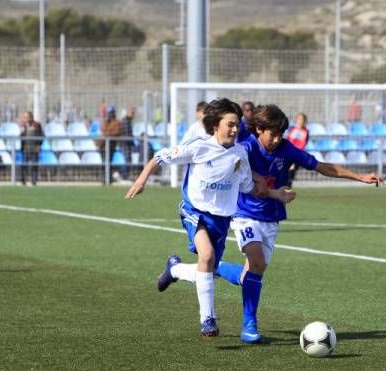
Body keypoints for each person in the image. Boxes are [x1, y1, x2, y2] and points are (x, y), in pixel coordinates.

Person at [158, 104, 384, 344]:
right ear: (258, 129)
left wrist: (358, 177)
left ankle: (179, 269)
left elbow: (321, 166)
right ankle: (249, 324)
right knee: (256, 260)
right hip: (243, 214)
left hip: (271, 218)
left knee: (251, 272)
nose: (276, 139)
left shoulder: (287, 150)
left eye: (280, 134)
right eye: (272, 134)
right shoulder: (243, 148)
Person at [125, 98, 292, 338]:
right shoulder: (199, 146)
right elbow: (159, 158)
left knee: (207, 270)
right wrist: (141, 180)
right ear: (215, 125)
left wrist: (275, 193)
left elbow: (248, 187)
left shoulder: (240, 154)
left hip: (222, 219)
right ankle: (208, 320)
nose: (235, 129)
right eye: (230, 124)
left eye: (237, 125)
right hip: (194, 211)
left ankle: (174, 270)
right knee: (207, 256)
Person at [98, 105, 124, 184]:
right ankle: (104, 178)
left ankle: (108, 179)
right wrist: (107, 132)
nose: (110, 115)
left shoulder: (117, 122)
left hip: (111, 146)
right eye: (109, 113)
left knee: (109, 162)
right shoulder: (106, 121)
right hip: (103, 146)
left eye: (111, 113)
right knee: (103, 162)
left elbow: (116, 132)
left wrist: (107, 134)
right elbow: (103, 130)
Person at [285, 112, 309, 186]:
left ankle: (287, 189)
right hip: (288, 153)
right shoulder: (292, 130)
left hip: (296, 155)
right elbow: (287, 141)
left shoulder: (305, 132)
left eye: (302, 119)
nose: (300, 121)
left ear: (304, 121)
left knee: (291, 172)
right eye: (298, 119)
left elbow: (303, 145)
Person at [20, 111, 43, 186]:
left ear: (31, 117)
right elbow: (21, 137)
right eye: (25, 117)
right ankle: (23, 181)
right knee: (23, 166)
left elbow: (41, 135)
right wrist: (22, 130)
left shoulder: (37, 125)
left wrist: (39, 145)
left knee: (34, 166)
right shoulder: (23, 126)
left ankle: (34, 182)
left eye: (27, 117)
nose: (26, 119)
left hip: (34, 149)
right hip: (25, 149)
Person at [121, 106, 135, 179]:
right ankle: (123, 175)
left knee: (128, 159)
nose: (133, 114)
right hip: (125, 144)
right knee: (127, 159)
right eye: (132, 113)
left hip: (128, 143)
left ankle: (125, 175)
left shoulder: (128, 120)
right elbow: (126, 134)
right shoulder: (126, 121)